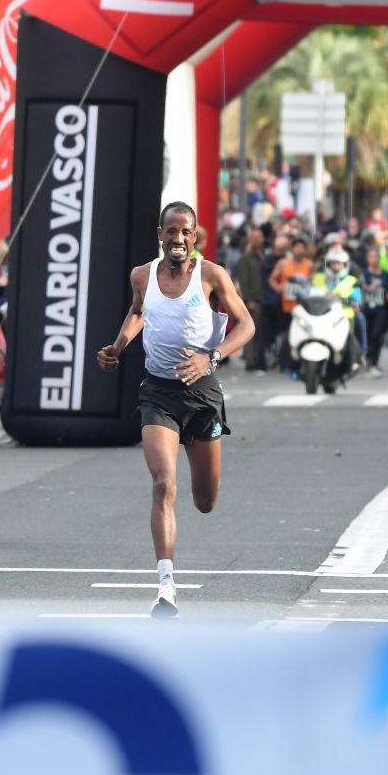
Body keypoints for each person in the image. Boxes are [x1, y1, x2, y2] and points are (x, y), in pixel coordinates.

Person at [96, 202, 254, 619]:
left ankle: (202, 490)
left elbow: (247, 325)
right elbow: (138, 312)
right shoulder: (142, 276)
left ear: (195, 236)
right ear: (160, 234)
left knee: (205, 500)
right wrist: (117, 347)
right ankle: (165, 587)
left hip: (202, 394)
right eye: (171, 231)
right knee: (164, 483)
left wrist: (211, 358)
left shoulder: (212, 276)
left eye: (185, 232)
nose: (178, 239)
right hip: (158, 394)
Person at [309, 246, 363, 377]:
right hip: (320, 315)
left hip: (343, 317)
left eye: (339, 264)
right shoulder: (318, 278)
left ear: (345, 265)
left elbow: (358, 299)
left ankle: (354, 362)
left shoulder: (352, 281)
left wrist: (350, 301)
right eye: (333, 263)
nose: (336, 267)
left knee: (350, 337)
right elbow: (308, 292)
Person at [268, 234, 313, 369]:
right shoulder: (283, 263)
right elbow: (272, 279)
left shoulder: (309, 265)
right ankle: (280, 360)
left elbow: (313, 282)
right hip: (286, 306)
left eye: (302, 247)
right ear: (292, 249)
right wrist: (279, 288)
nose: (299, 250)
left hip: (303, 307)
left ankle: (299, 361)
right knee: (283, 334)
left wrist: (308, 286)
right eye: (297, 247)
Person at [232, 227, 268, 372]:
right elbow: (243, 281)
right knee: (252, 333)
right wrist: (248, 300)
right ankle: (251, 361)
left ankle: (261, 359)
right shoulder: (245, 259)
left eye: (259, 237)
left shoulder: (264, 255)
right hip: (254, 299)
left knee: (261, 333)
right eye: (253, 237)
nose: (257, 240)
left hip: (265, 298)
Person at [360, 248, 388, 378]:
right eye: (371, 257)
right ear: (367, 259)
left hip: (381, 309)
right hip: (366, 310)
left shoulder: (385, 275)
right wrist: (368, 289)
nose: (373, 260)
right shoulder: (363, 274)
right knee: (367, 336)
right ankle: (366, 360)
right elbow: (356, 289)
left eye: (376, 257)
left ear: (379, 259)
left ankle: (374, 362)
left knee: (377, 336)